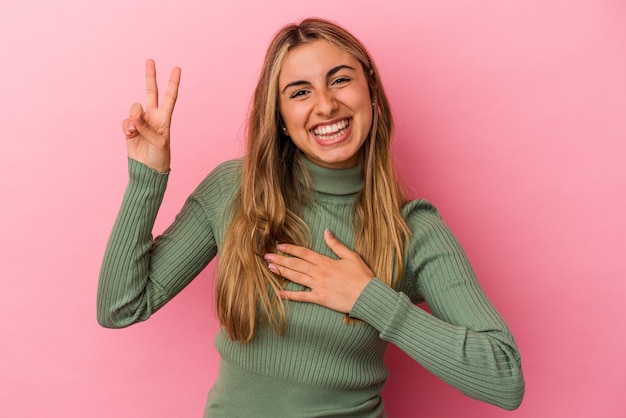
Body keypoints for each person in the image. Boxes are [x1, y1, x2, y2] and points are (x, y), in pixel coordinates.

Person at [98, 18, 524, 417]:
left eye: (340, 80)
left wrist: (369, 298)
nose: (325, 105)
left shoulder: (412, 231)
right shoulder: (235, 189)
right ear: (281, 118)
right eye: (300, 92)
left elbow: (504, 379)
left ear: (370, 91)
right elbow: (120, 307)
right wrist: (146, 177)